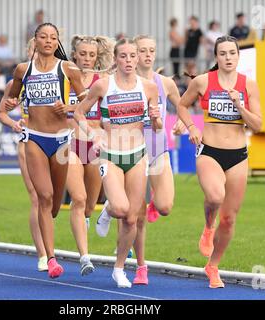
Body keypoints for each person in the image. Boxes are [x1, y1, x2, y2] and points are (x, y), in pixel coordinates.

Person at [74, 38, 161, 288]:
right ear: (115, 59)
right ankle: (109, 209)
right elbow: (79, 112)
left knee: (132, 219)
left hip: (137, 154)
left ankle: (119, 268)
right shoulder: (103, 86)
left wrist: (155, 119)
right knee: (122, 209)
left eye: (133, 56)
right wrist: (93, 136)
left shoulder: (149, 87)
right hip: (110, 155)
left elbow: (156, 126)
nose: (129, 61)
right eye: (123, 56)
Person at [176, 36, 262, 288]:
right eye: (222, 53)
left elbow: (257, 125)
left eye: (232, 53)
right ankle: (207, 226)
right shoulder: (203, 81)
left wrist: (240, 105)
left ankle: (213, 266)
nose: (227, 57)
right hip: (209, 151)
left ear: (238, 56)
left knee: (230, 219)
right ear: (216, 57)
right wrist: (191, 126)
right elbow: (182, 105)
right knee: (215, 197)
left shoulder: (249, 85)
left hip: (237, 156)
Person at [5, 23, 85, 279]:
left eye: (53, 37)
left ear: (57, 42)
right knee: (44, 196)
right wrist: (11, 102)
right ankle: (50, 259)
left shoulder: (68, 69)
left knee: (53, 205)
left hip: (61, 140)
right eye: (43, 37)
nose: (48, 41)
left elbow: (86, 99)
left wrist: (69, 109)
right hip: (35, 139)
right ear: (35, 40)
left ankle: (49, 222)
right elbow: (12, 99)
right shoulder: (22, 69)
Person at [126, 35, 186, 285]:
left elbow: (183, 106)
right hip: (133, 153)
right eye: (142, 50)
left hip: (159, 151)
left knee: (165, 207)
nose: (148, 55)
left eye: (152, 50)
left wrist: (183, 121)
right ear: (133, 54)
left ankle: (152, 204)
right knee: (135, 216)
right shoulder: (125, 84)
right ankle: (141, 267)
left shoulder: (166, 83)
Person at [0, 38, 48, 272]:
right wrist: (14, 124)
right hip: (28, 142)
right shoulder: (18, 80)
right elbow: (1, 113)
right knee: (36, 198)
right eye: (33, 50)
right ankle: (43, 254)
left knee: (54, 200)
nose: (38, 54)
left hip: (56, 143)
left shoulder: (59, 76)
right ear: (28, 52)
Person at [66, 35, 114, 276]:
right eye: (82, 54)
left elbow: (110, 115)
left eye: (91, 55)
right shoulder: (65, 78)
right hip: (70, 144)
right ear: (74, 54)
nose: (86, 58)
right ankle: (85, 257)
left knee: (89, 206)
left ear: (97, 57)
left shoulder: (102, 82)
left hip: (95, 146)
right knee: (79, 198)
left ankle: (87, 221)